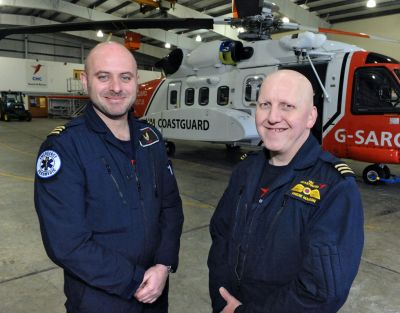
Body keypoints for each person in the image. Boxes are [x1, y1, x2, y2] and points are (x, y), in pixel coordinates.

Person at [34, 41, 184, 313]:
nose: (116, 87)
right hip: (100, 299)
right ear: (85, 81)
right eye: (103, 76)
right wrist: (134, 280)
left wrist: (163, 264)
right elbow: (67, 243)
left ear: (136, 81)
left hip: (155, 292)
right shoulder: (64, 148)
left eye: (125, 77)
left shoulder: (150, 139)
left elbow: (171, 206)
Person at [208, 70, 364, 313]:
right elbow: (220, 237)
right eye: (265, 104)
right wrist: (221, 297)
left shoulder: (335, 187)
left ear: (311, 117)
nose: (272, 117)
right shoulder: (245, 170)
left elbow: (321, 292)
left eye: (287, 106)